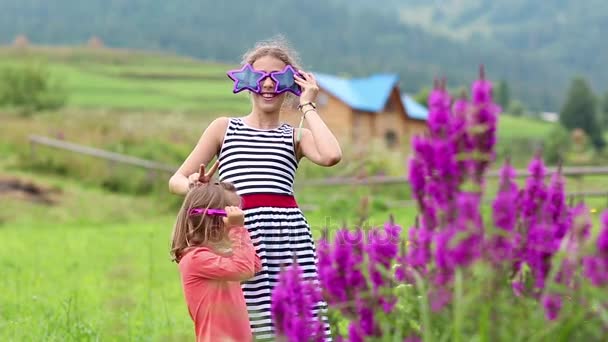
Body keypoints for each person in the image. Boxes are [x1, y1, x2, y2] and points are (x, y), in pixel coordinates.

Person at [169, 36, 342, 341]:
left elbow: (331, 155)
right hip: (238, 233)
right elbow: (176, 180)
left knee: (300, 320)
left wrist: (308, 105)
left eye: (278, 77)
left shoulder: (295, 136)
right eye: (260, 76)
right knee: (250, 323)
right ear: (246, 81)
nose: (268, 85)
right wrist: (193, 186)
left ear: (292, 83)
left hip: (289, 239)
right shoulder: (225, 128)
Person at [171, 182, 262, 342]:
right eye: (233, 213)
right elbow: (244, 269)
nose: (240, 218)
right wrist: (237, 229)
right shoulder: (195, 259)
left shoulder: (216, 256)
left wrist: (237, 233)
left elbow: (254, 265)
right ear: (214, 219)